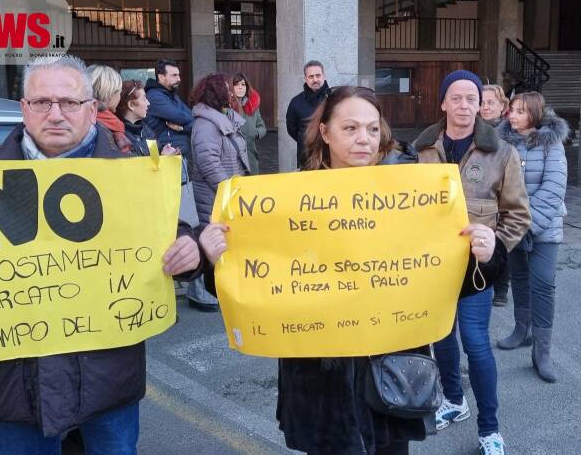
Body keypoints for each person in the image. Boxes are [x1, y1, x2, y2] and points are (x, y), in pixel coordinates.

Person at [0, 55, 203, 455]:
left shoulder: (134, 176)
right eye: (42, 102)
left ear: (92, 109)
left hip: (108, 385)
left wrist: (191, 252)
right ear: (24, 108)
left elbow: (174, 243)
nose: (56, 114)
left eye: (70, 102)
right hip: (12, 393)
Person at [197, 85, 491, 455]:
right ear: (325, 132)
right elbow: (257, 281)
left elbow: (444, 279)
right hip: (321, 388)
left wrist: (484, 254)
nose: (363, 140)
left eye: (371, 129)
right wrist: (213, 258)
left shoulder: (411, 196)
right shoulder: (289, 203)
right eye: (350, 128)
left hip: (390, 380)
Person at [413, 70, 531, 455]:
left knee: (476, 344)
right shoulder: (421, 150)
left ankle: (490, 428)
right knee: (441, 337)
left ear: (481, 105)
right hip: (432, 267)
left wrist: (495, 245)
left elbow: (517, 215)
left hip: (477, 270)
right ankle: (454, 401)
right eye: (457, 97)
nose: (464, 105)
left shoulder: (502, 152)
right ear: (443, 102)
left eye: (472, 98)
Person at [494, 92, 568, 384]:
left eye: (521, 111)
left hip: (543, 228)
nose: (513, 116)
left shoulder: (552, 143)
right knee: (520, 278)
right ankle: (520, 329)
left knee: (543, 284)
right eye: (512, 110)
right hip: (512, 226)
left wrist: (526, 224)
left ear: (535, 114)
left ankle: (542, 351)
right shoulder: (501, 143)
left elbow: (553, 188)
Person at [186, 73, 250, 312]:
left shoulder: (223, 117)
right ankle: (201, 294)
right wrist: (227, 188)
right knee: (209, 238)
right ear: (215, 92)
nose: (231, 92)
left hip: (224, 191)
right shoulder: (206, 124)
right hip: (215, 194)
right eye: (226, 88)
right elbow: (208, 161)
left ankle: (213, 289)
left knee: (221, 239)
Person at [481, 84, 511, 307]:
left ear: (502, 106)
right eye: (481, 102)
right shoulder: (471, 129)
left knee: (501, 244)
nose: (485, 107)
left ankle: (501, 289)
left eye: (491, 102)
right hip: (480, 199)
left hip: (503, 195)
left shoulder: (511, 132)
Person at [145, 59, 194, 157]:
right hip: (167, 156)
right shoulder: (154, 96)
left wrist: (183, 127)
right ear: (161, 77)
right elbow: (180, 116)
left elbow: (192, 116)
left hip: (179, 154)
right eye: (174, 75)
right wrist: (188, 121)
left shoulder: (172, 95)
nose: (179, 79)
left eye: (178, 75)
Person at [286, 60, 331, 167]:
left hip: (331, 156)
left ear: (324, 76)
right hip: (306, 157)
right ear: (305, 79)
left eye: (318, 75)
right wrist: (306, 140)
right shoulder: (296, 102)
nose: (315, 79)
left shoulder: (334, 99)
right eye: (311, 76)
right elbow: (292, 129)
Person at [89, 64, 132, 154]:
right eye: (119, 92)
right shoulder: (104, 127)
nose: (119, 98)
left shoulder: (82, 120)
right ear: (110, 93)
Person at [232, 72, 268, 174]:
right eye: (237, 84)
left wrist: (255, 133)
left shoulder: (252, 105)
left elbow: (262, 126)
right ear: (232, 87)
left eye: (243, 84)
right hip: (233, 157)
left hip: (250, 154)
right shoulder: (227, 107)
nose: (240, 87)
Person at [116, 79, 157, 156]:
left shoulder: (147, 131)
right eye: (144, 99)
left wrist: (164, 155)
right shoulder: (118, 135)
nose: (148, 103)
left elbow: (155, 159)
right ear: (131, 105)